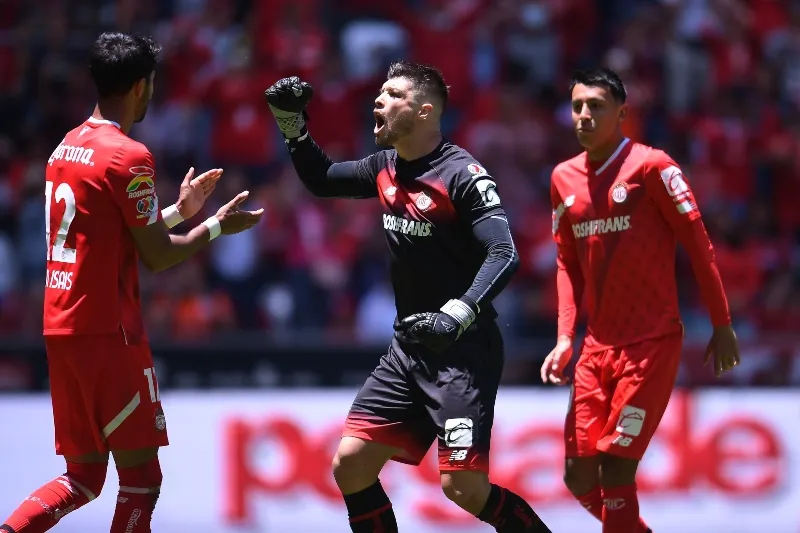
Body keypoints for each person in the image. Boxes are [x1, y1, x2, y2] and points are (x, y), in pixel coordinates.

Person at [265, 62, 551, 533]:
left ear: (423, 111)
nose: (377, 101)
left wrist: (456, 314)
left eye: (392, 94)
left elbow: (504, 252)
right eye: (378, 93)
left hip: (462, 351)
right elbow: (321, 179)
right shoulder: (385, 167)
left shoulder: (463, 175)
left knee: (464, 490)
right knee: (351, 464)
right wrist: (292, 126)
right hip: (408, 350)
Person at [0, 32, 262, 533]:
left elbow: (110, 232)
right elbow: (158, 256)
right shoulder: (129, 156)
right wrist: (215, 226)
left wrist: (179, 211)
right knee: (141, 478)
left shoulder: (65, 147)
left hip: (62, 325)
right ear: (142, 86)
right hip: (108, 333)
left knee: (82, 477)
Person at [541, 67, 741, 533]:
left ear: (623, 113)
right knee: (577, 476)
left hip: (650, 344)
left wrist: (722, 323)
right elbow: (567, 264)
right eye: (577, 106)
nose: (585, 115)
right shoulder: (562, 178)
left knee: (616, 467)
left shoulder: (653, 167)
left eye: (597, 106)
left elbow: (698, 245)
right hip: (595, 350)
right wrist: (565, 338)